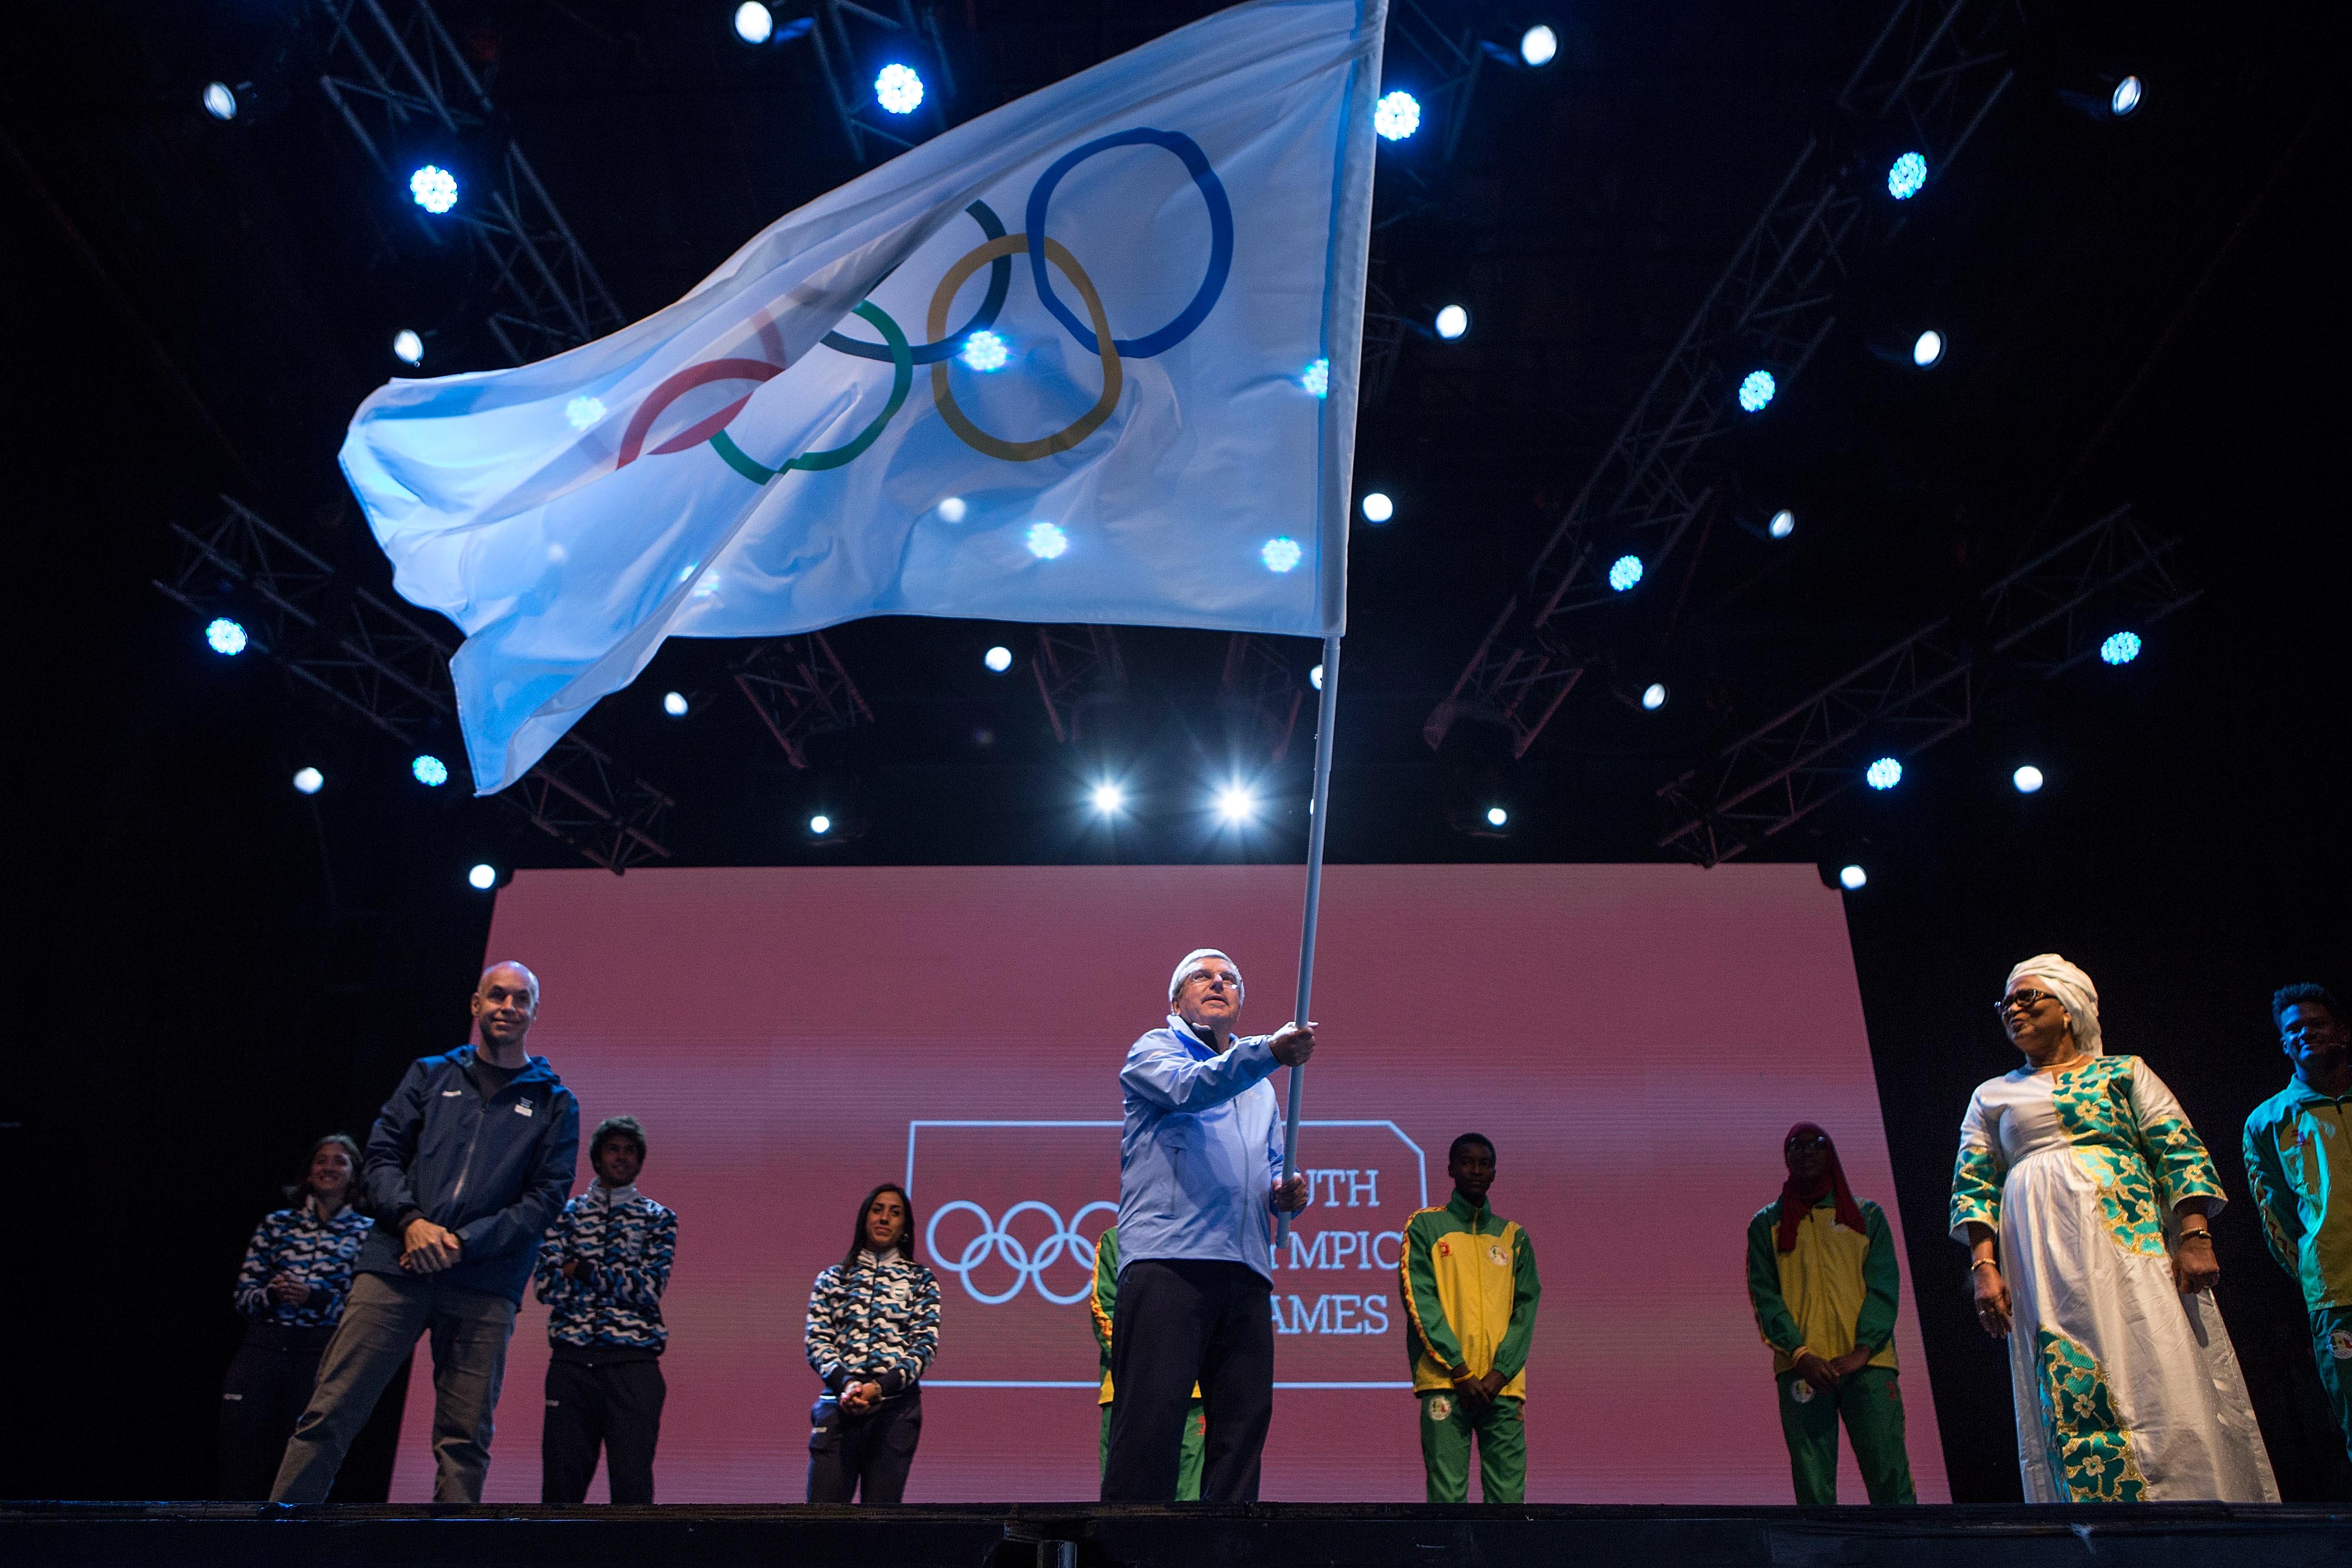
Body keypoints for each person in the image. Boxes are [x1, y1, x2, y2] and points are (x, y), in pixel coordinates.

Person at [1950, 954, 2277, 1502]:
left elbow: (2178, 1148)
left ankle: (2191, 1500)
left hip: (2131, 1240)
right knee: (2066, 1367)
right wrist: (1985, 1267)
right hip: (2040, 1255)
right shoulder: (1992, 1094)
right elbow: (1975, 1184)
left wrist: (2196, 1234)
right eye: (2006, 1002)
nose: (2013, 1009)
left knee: (2156, 1349)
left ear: (2070, 1007)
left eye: (2028, 997)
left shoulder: (2124, 1071)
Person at [272, 961, 580, 1503]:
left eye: (520, 999)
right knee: (330, 1412)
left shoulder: (557, 1103)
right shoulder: (430, 1074)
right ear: (475, 1004)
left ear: (534, 1012)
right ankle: (276, 1543)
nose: (508, 1007)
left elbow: (545, 1199)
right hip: (395, 1266)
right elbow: (384, 1156)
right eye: (497, 996)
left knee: (464, 1440)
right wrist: (413, 1224)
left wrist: (461, 1243)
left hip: (485, 1283)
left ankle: (449, 1554)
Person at [1100, 948, 1317, 1504]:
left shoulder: (1261, 1084)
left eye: (1231, 979)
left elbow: (1271, 1166)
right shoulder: (1154, 1049)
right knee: (1151, 1422)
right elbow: (1192, 1089)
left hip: (1244, 1268)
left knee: (1242, 1431)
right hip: (1170, 1261)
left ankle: (1227, 1552)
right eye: (1204, 975)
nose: (1219, 982)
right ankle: (1128, 1551)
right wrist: (1268, 1052)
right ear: (1176, 1000)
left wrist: (1287, 1191)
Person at [1744, 1123, 1916, 1506]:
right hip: (1802, 1367)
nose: (1805, 1152)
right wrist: (1800, 1353)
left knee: (1889, 1473)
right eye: (1795, 1146)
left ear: (1830, 1151)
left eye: (1815, 1144)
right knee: (1813, 1483)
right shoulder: (1766, 1224)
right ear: (1786, 1156)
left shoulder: (1866, 1216)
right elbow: (1766, 1297)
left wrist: (1864, 1349)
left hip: (1868, 1366)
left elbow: (1883, 1286)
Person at [218, 1135, 373, 1499]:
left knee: (306, 1444)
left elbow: (363, 1306)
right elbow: (244, 1295)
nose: (329, 1168)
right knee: (242, 1439)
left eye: (340, 1162)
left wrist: (316, 1298)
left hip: (320, 1353)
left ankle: (291, 1530)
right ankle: (233, 1529)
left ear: (353, 1174)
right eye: (322, 1161)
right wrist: (272, 1294)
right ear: (309, 1171)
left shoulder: (367, 1233)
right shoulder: (277, 1224)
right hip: (265, 1344)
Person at [534, 1114, 677, 1505]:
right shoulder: (565, 1214)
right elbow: (546, 1286)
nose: (622, 1156)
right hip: (572, 1363)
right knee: (561, 1489)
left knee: (632, 1489)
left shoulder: (658, 1218)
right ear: (597, 1157)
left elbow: (648, 1289)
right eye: (614, 1148)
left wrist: (581, 1269)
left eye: (630, 1150)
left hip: (634, 1364)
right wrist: (617, 1279)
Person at [1398, 1133, 1541, 1503]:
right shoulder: (1425, 1227)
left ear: (1494, 1173)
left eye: (1484, 1164)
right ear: (1450, 1170)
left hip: (1502, 1389)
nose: (1476, 1171)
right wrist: (1459, 1369)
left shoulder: (1514, 1237)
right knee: (1446, 1499)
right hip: (1446, 1382)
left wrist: (1499, 1374)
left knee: (1508, 1500)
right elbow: (1420, 1302)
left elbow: (1525, 1313)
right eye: (1467, 1162)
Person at [2243, 982, 2352, 1463]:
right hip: (2337, 1296)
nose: (2306, 1033)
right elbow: (2277, 1219)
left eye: (2317, 1023)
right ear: (2284, 1044)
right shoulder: (2267, 1122)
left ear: (2342, 1033)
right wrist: (2316, 1274)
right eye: (2294, 1029)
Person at [804, 1183, 941, 1504]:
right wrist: (848, 1384)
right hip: (838, 1403)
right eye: (878, 1209)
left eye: (895, 1213)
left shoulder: (921, 1280)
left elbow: (924, 1346)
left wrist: (878, 1388)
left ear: (905, 1228)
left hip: (895, 1409)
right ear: (864, 1218)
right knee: (819, 1523)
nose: (885, 1218)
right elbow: (817, 1340)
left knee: (880, 1525)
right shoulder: (832, 1278)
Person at [1088, 1222, 1205, 1499]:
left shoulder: (1204, 1241)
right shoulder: (1116, 1240)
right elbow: (1103, 1309)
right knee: (1123, 1503)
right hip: (1128, 1395)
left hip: (1194, 1394)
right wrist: (1148, 1368)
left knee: (1192, 1504)